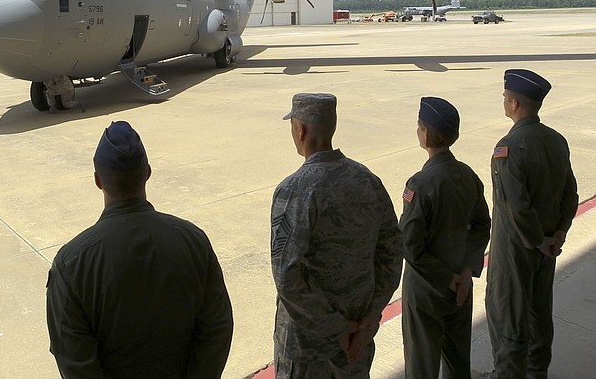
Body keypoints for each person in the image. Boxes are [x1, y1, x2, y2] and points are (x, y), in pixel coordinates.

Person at [46, 121, 233, 378]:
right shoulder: (193, 241)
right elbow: (217, 329)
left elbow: (75, 361)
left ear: (98, 180)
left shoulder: (73, 262)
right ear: (147, 172)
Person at [271, 93, 403, 377]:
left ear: (300, 130)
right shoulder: (367, 180)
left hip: (307, 348)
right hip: (357, 339)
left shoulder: (295, 190)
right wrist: (369, 318)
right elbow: (392, 254)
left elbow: (287, 276)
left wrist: (335, 327)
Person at [485, 69, 578, 378]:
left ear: (514, 104)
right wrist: (558, 235)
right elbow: (570, 193)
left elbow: (515, 205)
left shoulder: (508, 147)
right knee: (540, 316)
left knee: (508, 318)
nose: (503, 101)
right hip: (546, 248)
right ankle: (537, 372)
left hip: (515, 251)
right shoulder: (556, 140)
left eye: (504, 97)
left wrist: (538, 239)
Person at [400, 97, 491, 379]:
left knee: (421, 365)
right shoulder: (468, 176)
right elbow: (482, 225)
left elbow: (410, 245)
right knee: (457, 360)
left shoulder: (419, 184)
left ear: (425, 134)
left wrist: (445, 278)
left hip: (427, 290)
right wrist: (464, 273)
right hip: (460, 287)